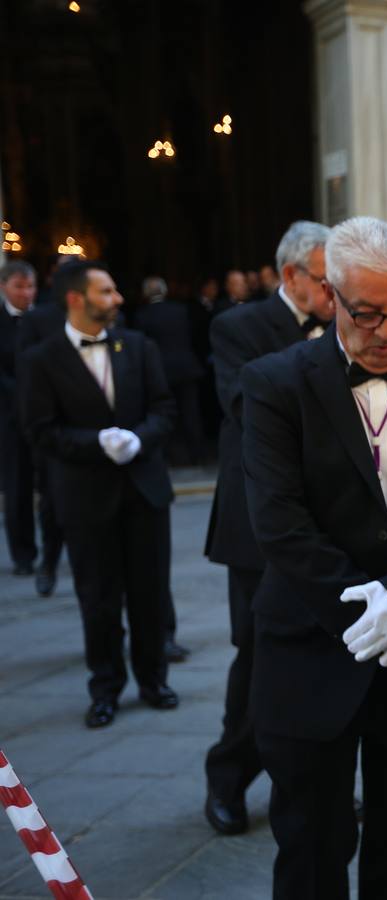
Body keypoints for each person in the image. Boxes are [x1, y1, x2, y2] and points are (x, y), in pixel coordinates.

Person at [242, 216, 387, 899]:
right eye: (368, 314)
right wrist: (372, 609)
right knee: (311, 847)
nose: (385, 333)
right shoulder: (274, 384)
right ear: (330, 298)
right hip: (309, 650)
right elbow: (280, 524)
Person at [202, 220, 333, 837]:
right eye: (329, 283)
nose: (339, 297)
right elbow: (244, 408)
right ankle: (227, 782)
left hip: (333, 523)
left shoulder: (349, 323)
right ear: (291, 277)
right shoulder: (238, 328)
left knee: (329, 658)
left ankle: (314, 783)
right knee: (258, 658)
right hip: (259, 523)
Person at [20, 260, 178, 728]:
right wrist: (95, 443)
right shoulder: (42, 360)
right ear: (76, 298)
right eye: (107, 292)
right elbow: (40, 431)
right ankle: (105, 687)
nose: (118, 299)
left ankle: (154, 679)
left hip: (144, 491)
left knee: (150, 594)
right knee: (98, 598)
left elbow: (164, 409)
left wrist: (139, 439)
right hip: (85, 497)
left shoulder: (140, 346)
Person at [14, 269, 69, 597]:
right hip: (53, 428)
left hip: (95, 427)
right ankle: (48, 562)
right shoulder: (39, 320)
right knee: (52, 504)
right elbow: (26, 372)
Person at [134, 276, 206, 464]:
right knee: (191, 412)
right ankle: (197, 454)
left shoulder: (142, 315)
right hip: (187, 367)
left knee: (163, 414)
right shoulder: (181, 310)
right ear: (164, 291)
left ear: (145, 294)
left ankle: (169, 456)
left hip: (160, 371)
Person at [1, 261, 41, 576]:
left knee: (57, 486)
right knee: (17, 488)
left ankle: (55, 551)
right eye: (19, 286)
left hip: (47, 414)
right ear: (4, 287)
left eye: (30, 286)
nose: (26, 293)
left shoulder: (46, 319)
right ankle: (23, 554)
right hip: (12, 418)